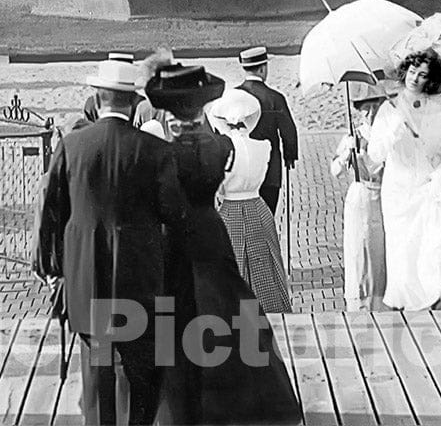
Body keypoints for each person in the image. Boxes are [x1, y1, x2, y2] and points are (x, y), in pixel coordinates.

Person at [143, 62, 302, 426]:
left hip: (179, 235)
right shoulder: (221, 146)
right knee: (231, 305)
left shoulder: (162, 151)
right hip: (212, 230)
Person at [35, 59, 190, 426]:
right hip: (142, 279)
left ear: (96, 97)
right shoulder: (155, 151)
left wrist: (51, 268)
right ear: (134, 102)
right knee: (143, 371)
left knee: (97, 369)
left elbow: (50, 212)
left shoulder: (72, 146)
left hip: (86, 278)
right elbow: (176, 217)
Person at [368, 18, 441, 310]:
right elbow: (375, 154)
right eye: (412, 71)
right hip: (401, 189)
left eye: (422, 75)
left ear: (430, 79)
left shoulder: (440, 106)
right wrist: (392, 131)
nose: (415, 78)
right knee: (409, 246)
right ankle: (418, 295)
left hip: (436, 180)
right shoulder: (389, 109)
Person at [208, 87, 292, 313]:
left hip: (230, 209)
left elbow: (218, 185)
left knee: (232, 266)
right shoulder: (263, 146)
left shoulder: (221, 149)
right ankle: (270, 309)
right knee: (264, 263)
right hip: (257, 207)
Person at [331, 82, 387, 311]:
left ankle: (383, 291)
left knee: (383, 245)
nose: (370, 112)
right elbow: (335, 171)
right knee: (360, 243)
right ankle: (361, 292)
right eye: (366, 108)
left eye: (375, 107)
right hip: (361, 192)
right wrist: (347, 154)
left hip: (385, 193)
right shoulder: (353, 137)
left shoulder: (387, 134)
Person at [236, 46, 298, 214]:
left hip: (242, 169)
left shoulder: (235, 96)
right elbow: (288, 130)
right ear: (263, 69)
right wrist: (289, 155)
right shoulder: (275, 98)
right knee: (267, 215)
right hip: (269, 169)